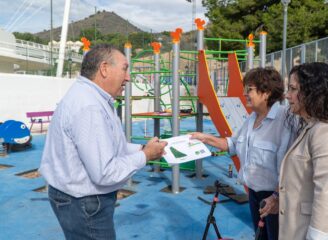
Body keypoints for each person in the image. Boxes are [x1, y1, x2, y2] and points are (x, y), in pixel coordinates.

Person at [39, 44, 167, 240]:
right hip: (84, 203)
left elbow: (109, 144)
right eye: (124, 68)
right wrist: (146, 156)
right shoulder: (90, 107)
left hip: (74, 199)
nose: (128, 77)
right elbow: (105, 173)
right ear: (104, 69)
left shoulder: (89, 97)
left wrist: (142, 148)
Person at [191, 67, 294, 240]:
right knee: (260, 236)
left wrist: (277, 197)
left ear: (266, 92)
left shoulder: (285, 120)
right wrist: (205, 138)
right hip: (253, 194)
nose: (245, 94)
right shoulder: (252, 118)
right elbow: (232, 144)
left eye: (250, 90)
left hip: (274, 198)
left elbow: (290, 166)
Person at [280, 62, 328, 240]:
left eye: (293, 89)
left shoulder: (327, 133)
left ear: (312, 92)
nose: (287, 95)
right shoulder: (313, 127)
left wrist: (317, 237)